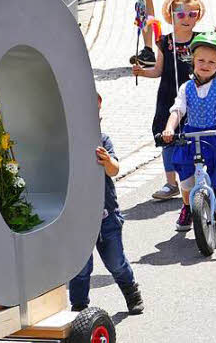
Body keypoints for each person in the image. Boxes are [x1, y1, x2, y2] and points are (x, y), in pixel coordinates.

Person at [161, 33, 216, 241]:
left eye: (211, 62)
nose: (205, 65)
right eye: (201, 60)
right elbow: (177, 110)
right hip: (191, 135)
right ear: (193, 61)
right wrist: (170, 129)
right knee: (186, 177)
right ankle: (188, 207)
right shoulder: (186, 87)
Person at [69, 93, 143, 315]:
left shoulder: (103, 140)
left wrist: (107, 162)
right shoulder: (66, 144)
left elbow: (115, 170)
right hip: (77, 218)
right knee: (80, 269)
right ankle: (79, 308)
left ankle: (132, 293)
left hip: (106, 215)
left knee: (115, 261)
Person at [132, 0, 202, 202]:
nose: (187, 19)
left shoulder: (201, 40)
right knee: (167, 138)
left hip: (194, 96)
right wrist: (142, 72)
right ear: (171, 16)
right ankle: (171, 183)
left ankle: (194, 179)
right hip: (168, 95)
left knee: (192, 137)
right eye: (181, 14)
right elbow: (159, 71)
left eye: (192, 14)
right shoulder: (164, 42)